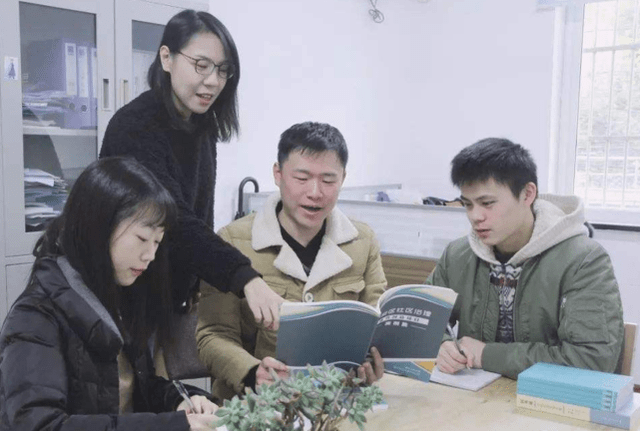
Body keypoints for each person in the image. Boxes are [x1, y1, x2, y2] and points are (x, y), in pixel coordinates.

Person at [0, 157, 219, 431]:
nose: (150, 255)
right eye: (142, 238)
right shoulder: (36, 316)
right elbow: (41, 424)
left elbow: (137, 389)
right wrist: (173, 425)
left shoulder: (119, 293)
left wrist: (181, 402)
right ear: (98, 227)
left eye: (157, 242)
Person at [100, 10, 282, 330]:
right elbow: (174, 220)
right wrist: (244, 277)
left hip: (169, 298)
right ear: (166, 58)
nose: (213, 80)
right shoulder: (135, 126)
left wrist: (196, 279)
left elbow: (200, 212)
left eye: (223, 70)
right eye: (201, 65)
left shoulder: (200, 124)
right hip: (123, 298)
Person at [196, 122, 387, 400]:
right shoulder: (232, 242)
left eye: (328, 180)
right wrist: (251, 372)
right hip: (255, 404)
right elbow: (212, 335)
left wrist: (372, 362)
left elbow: (376, 325)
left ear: (343, 179)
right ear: (278, 174)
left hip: (335, 403)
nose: (315, 192)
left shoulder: (363, 242)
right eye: (302, 178)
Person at [428, 138, 624, 379]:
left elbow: (592, 361)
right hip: (473, 396)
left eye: (487, 203)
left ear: (527, 194)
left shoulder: (584, 261)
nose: (475, 216)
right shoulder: (457, 255)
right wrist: (442, 344)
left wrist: (486, 355)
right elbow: (424, 320)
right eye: (467, 204)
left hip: (548, 400)